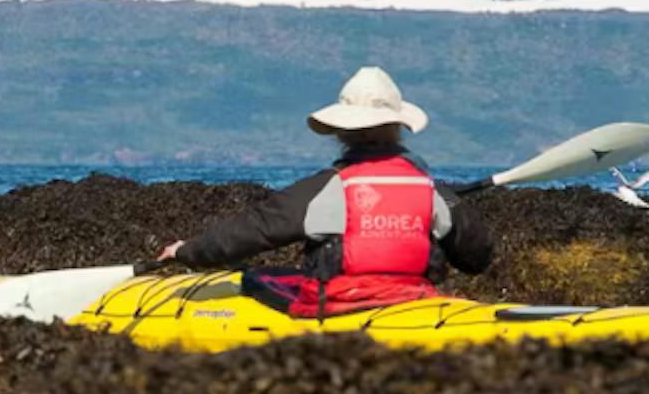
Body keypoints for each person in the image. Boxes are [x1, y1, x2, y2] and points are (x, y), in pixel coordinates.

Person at [156, 66, 493, 317]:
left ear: (340, 132)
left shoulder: (329, 186)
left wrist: (188, 252)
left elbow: (253, 229)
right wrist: (445, 202)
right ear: (398, 128)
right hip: (415, 303)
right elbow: (477, 258)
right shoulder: (431, 190)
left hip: (338, 307)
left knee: (256, 279)